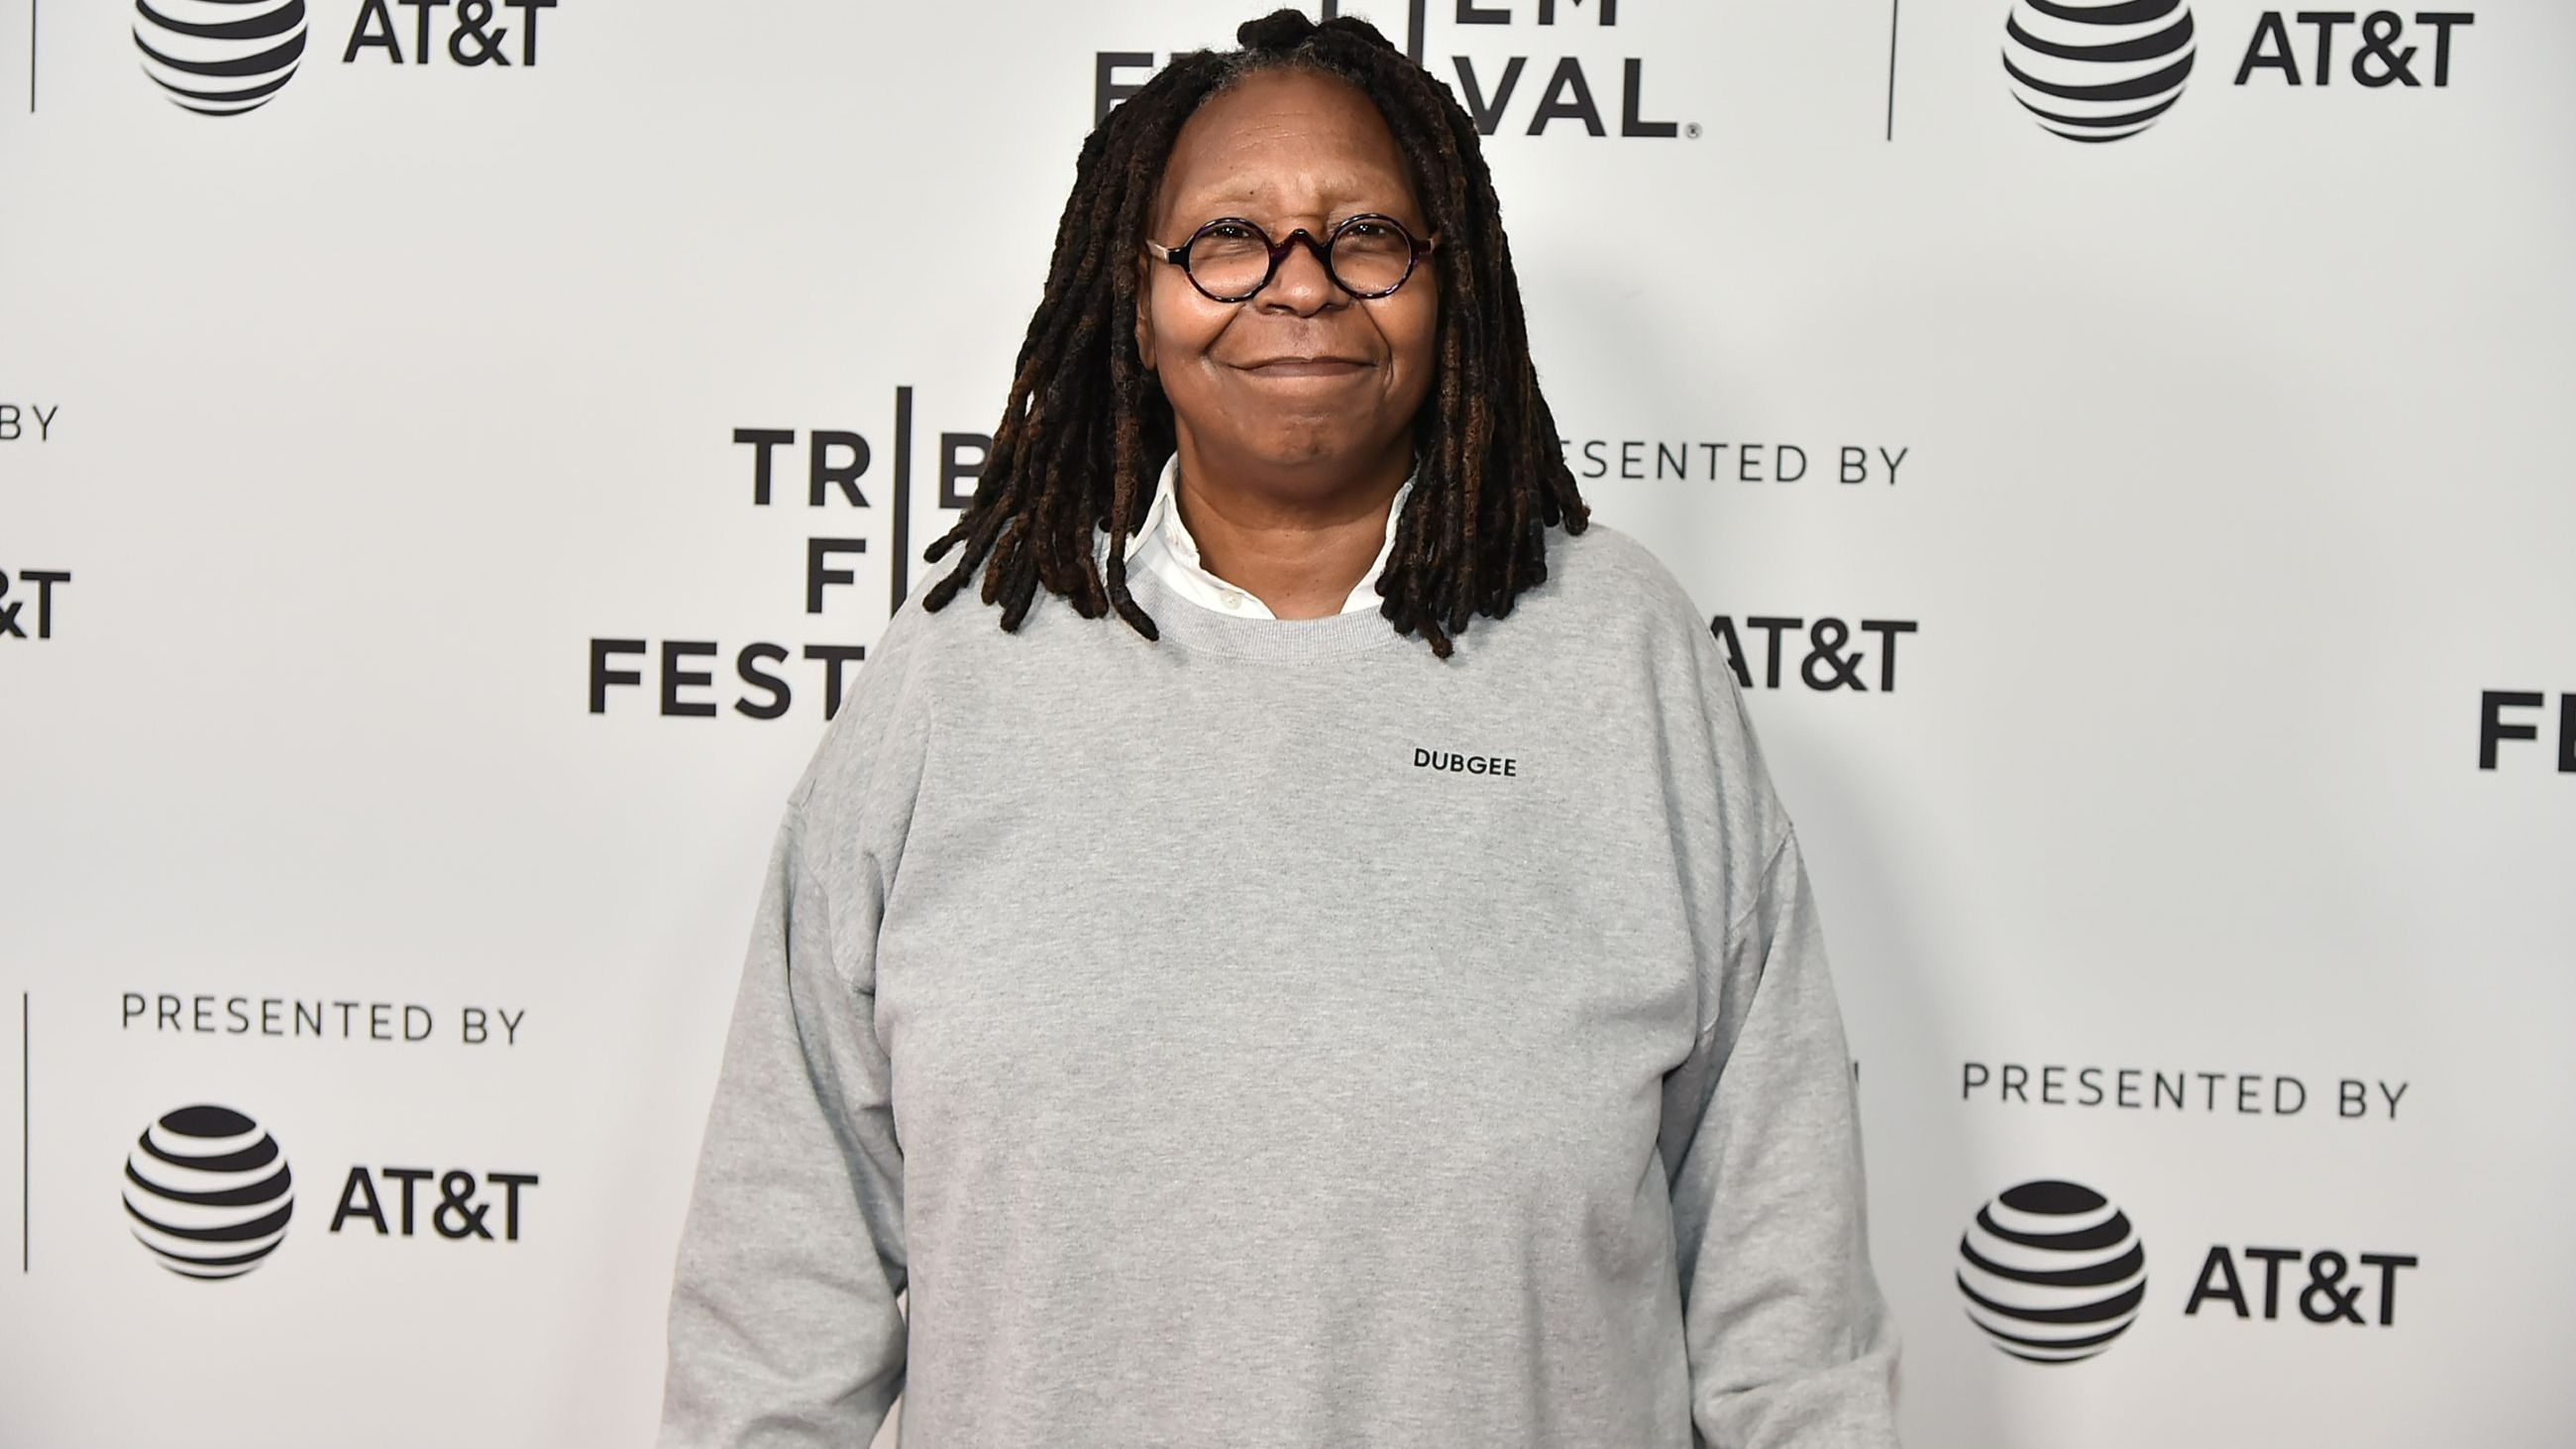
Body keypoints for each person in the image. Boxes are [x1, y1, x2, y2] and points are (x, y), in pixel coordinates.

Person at [655, 11, 1900, 1448]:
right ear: (1135, 298)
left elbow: (1781, 1289)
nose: (1299, 285)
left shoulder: (1625, 655)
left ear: (1449, 285)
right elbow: (780, 1294)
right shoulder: (957, 674)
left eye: (1364, 235)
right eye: (1227, 239)